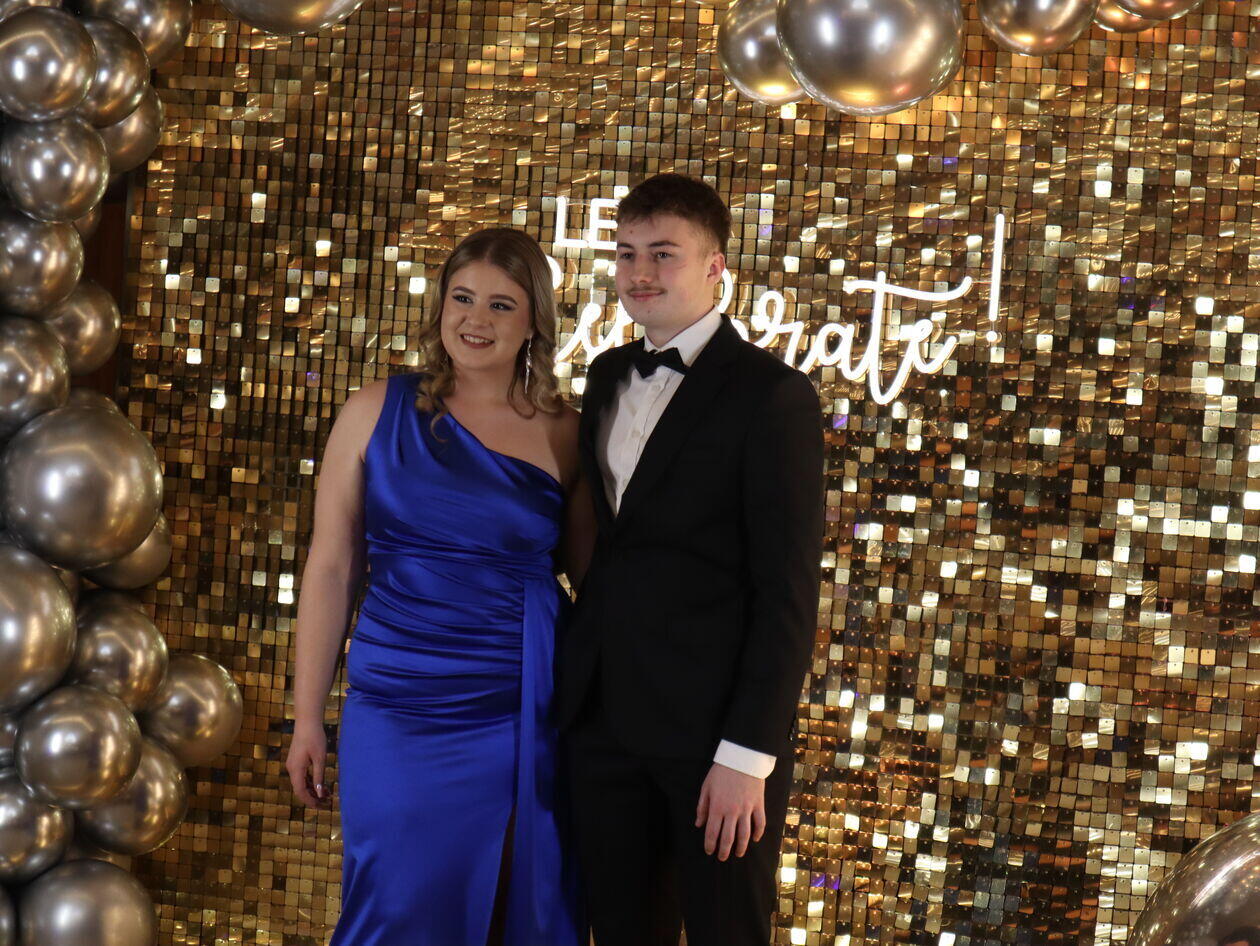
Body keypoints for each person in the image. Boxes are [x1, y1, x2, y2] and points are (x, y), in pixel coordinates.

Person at [285, 227, 592, 946]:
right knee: (394, 902)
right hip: (395, 699)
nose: (476, 320)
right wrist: (306, 718)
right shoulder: (374, 409)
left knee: (508, 901)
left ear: (534, 323)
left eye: (501, 305)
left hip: (516, 703)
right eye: (462, 298)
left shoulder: (567, 433)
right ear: (440, 306)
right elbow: (331, 568)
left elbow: (595, 584)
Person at [557, 172, 825, 945]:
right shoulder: (606, 374)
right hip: (603, 723)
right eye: (626, 253)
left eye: (663, 254)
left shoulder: (773, 396)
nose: (639, 273)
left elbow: (786, 593)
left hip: (715, 739)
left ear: (715, 268)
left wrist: (748, 756)